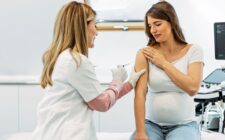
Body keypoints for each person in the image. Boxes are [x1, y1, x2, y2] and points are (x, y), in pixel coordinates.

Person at [30, 1, 145, 140]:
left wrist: (129, 84)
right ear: (82, 27)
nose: (96, 31)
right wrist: (117, 81)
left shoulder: (61, 58)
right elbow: (102, 104)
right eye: (94, 25)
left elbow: (93, 97)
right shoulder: (76, 62)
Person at [130, 1, 204, 140]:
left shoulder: (194, 51)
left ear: (172, 22)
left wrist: (163, 63)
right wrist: (140, 132)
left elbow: (192, 87)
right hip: (151, 125)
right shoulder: (145, 54)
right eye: (150, 26)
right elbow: (140, 93)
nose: (153, 30)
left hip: (184, 125)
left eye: (157, 24)